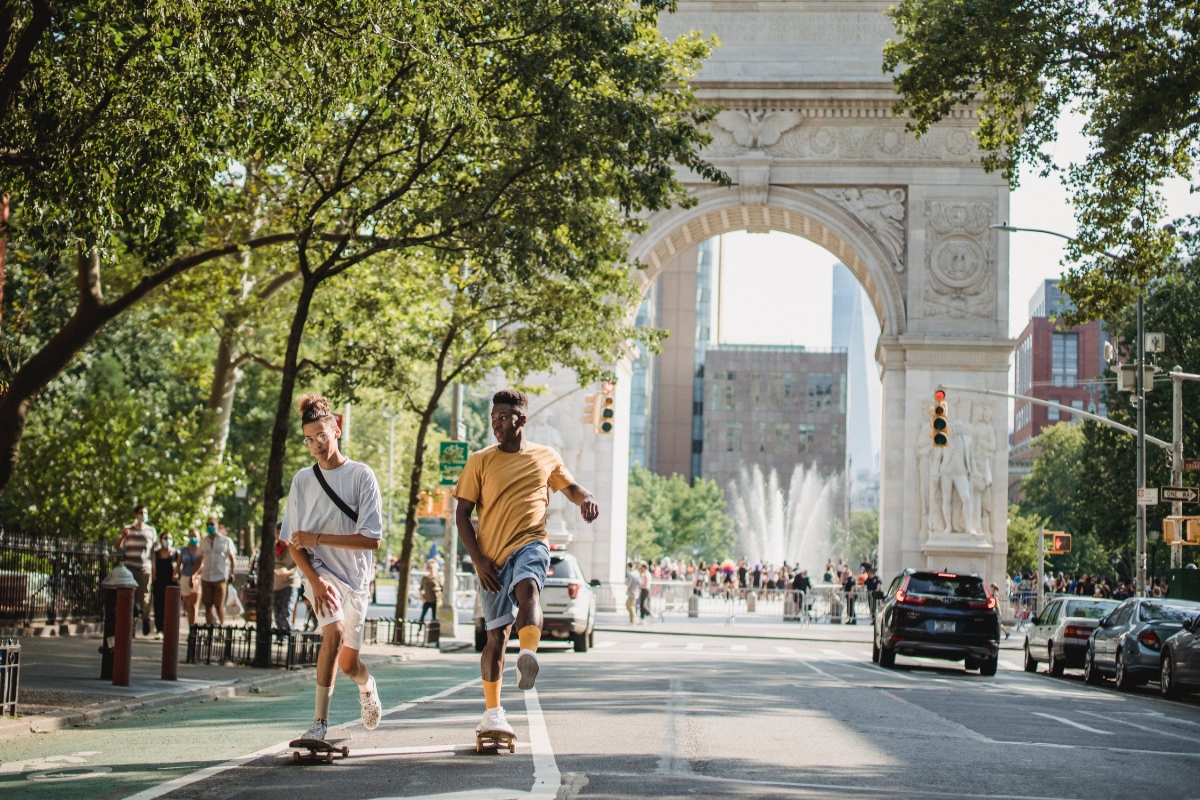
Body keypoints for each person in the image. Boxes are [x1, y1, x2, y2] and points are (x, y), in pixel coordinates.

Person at [454, 389, 599, 742]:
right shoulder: (480, 461)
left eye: (503, 418)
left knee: (530, 587)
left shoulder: (545, 456)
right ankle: (493, 713)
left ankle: (529, 655)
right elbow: (461, 515)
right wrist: (478, 560)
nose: (497, 426)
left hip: (531, 542)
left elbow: (573, 488)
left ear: (521, 419)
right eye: (493, 420)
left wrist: (588, 499)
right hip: (491, 558)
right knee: (496, 637)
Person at [281, 393, 385, 743]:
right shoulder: (302, 481)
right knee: (333, 631)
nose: (316, 445)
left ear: (336, 430)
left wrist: (318, 536)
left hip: (355, 580)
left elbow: (372, 540)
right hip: (318, 571)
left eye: (321, 436)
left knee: (349, 665)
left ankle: (366, 685)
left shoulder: (361, 476)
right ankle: (319, 724)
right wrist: (314, 580)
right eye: (309, 439)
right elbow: (294, 544)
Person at [116, 505, 157, 637]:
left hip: (145, 569)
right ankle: (131, 628)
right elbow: (117, 546)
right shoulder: (128, 529)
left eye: (145, 512)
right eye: (140, 512)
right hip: (129, 569)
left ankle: (145, 619)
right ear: (135, 514)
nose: (143, 515)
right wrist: (122, 536)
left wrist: (154, 570)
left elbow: (154, 552)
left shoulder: (151, 531)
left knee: (144, 598)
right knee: (130, 599)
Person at [197, 517, 236, 625]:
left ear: (217, 525)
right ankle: (209, 625)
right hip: (206, 577)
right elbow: (200, 559)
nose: (210, 527)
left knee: (219, 605)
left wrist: (232, 572)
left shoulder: (226, 541)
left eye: (212, 524)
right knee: (208, 604)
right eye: (208, 525)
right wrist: (194, 573)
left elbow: (232, 558)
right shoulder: (203, 541)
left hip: (220, 577)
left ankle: (221, 626)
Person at [273, 523, 301, 632]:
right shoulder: (273, 547)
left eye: (282, 532)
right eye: (278, 532)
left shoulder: (292, 546)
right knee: (277, 611)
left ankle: (286, 633)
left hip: (291, 582)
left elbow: (299, 563)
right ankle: (280, 633)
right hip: (277, 583)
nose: (279, 535)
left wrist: (289, 572)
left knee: (286, 609)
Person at [151, 531, 178, 638]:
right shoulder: (156, 553)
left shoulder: (176, 553)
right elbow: (153, 565)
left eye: (169, 538)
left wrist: (176, 574)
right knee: (159, 606)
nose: (167, 540)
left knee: (171, 606)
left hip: (171, 582)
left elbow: (178, 567)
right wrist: (153, 575)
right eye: (165, 538)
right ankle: (159, 629)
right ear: (161, 540)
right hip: (159, 581)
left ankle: (170, 629)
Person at [178, 530, 202, 627]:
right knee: (188, 605)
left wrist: (195, 576)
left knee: (194, 605)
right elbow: (179, 564)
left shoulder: (202, 550)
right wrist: (177, 574)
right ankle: (190, 627)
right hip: (185, 577)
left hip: (197, 578)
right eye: (191, 536)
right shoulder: (183, 550)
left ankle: (194, 629)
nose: (193, 538)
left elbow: (202, 564)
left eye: (195, 536)